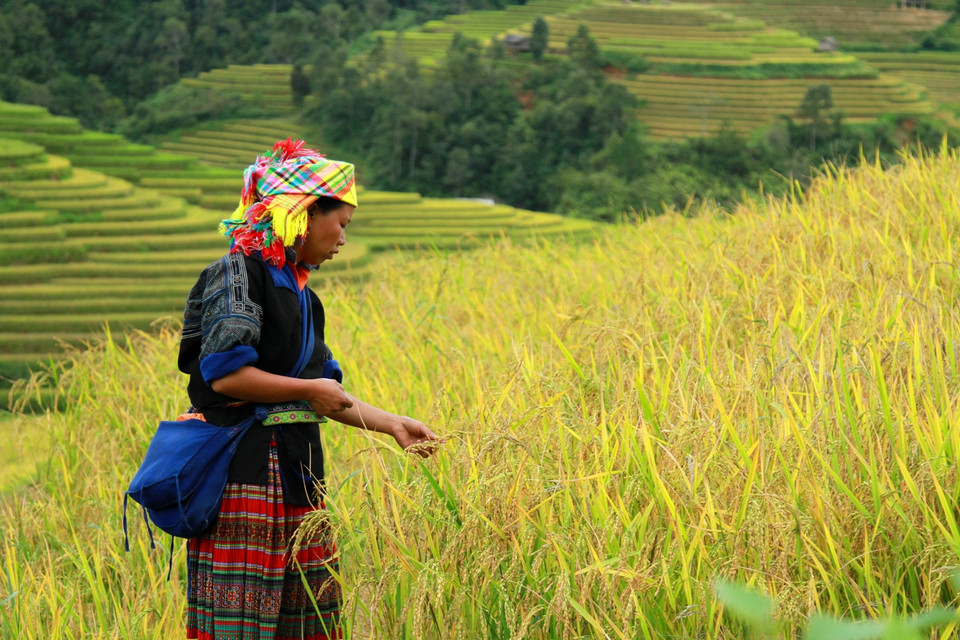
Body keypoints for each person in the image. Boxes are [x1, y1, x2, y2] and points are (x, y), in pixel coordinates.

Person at [178, 138, 438, 640]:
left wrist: (392, 426)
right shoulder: (237, 275)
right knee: (242, 621)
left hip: (299, 473)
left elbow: (324, 389)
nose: (343, 237)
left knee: (307, 621)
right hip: (244, 476)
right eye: (340, 223)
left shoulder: (305, 296)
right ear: (303, 214)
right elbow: (226, 374)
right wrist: (312, 391)